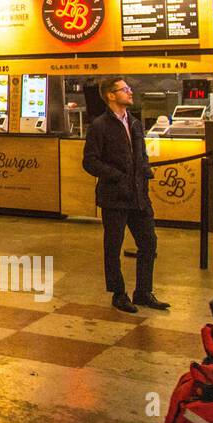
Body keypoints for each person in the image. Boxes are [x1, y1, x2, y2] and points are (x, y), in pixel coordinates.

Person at [82, 76, 170, 314]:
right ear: (111, 95)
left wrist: (145, 172)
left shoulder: (134, 123)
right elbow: (89, 161)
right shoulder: (99, 125)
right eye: (125, 89)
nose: (130, 92)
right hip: (114, 196)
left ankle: (143, 292)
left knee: (149, 243)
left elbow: (141, 154)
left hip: (139, 195)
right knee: (113, 246)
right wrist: (116, 176)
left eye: (129, 88)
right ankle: (118, 293)